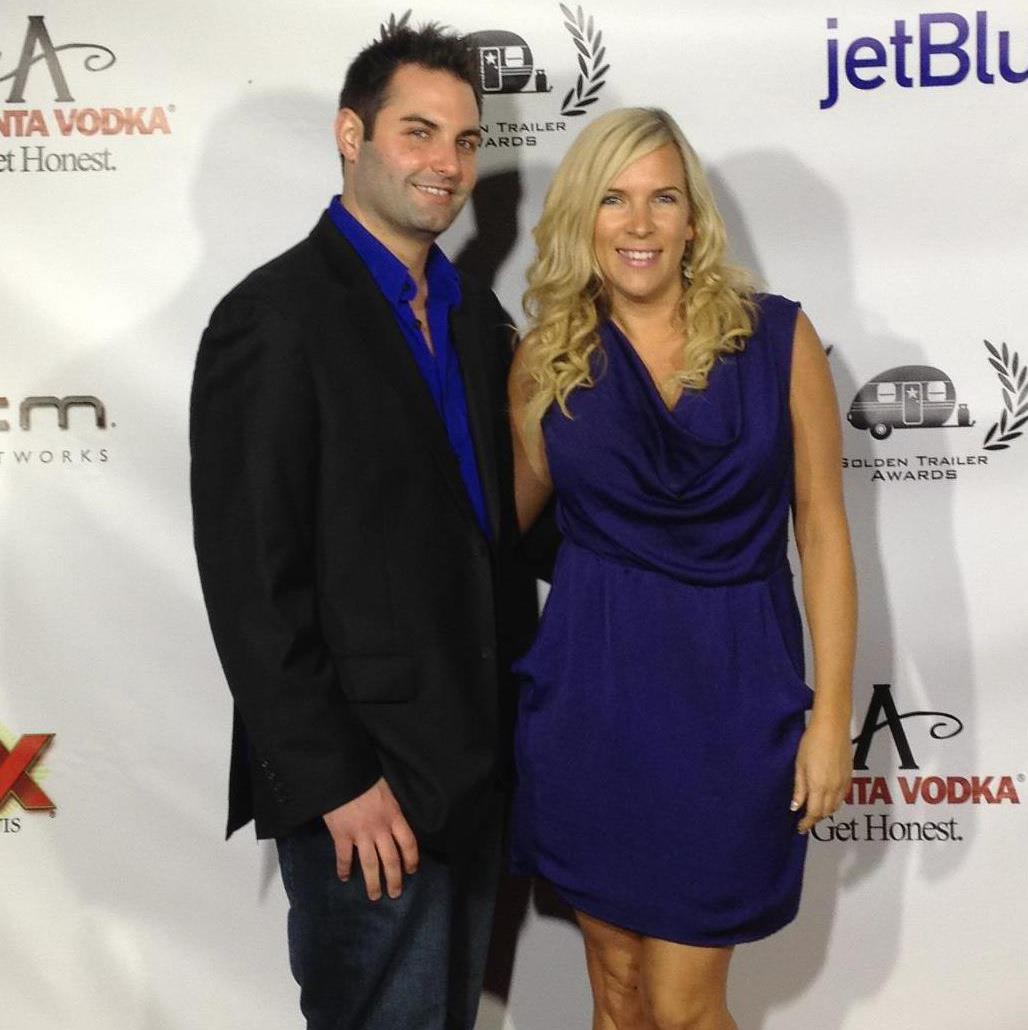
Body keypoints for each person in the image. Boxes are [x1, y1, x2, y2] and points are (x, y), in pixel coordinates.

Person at [190, 25, 537, 1030]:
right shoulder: (275, 318)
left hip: (474, 772)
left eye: (466, 142)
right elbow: (252, 580)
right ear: (352, 135)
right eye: (418, 132)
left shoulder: (476, 318)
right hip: (367, 792)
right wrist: (336, 781)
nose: (446, 165)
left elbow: (490, 537)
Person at [508, 107, 856, 1029]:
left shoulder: (780, 341)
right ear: (584, 218)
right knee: (617, 987)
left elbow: (822, 530)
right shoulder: (548, 359)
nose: (640, 223)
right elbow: (492, 532)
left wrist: (830, 719)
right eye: (614, 199)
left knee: (685, 1004)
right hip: (591, 699)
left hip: (733, 698)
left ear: (693, 218)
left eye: (663, 198)